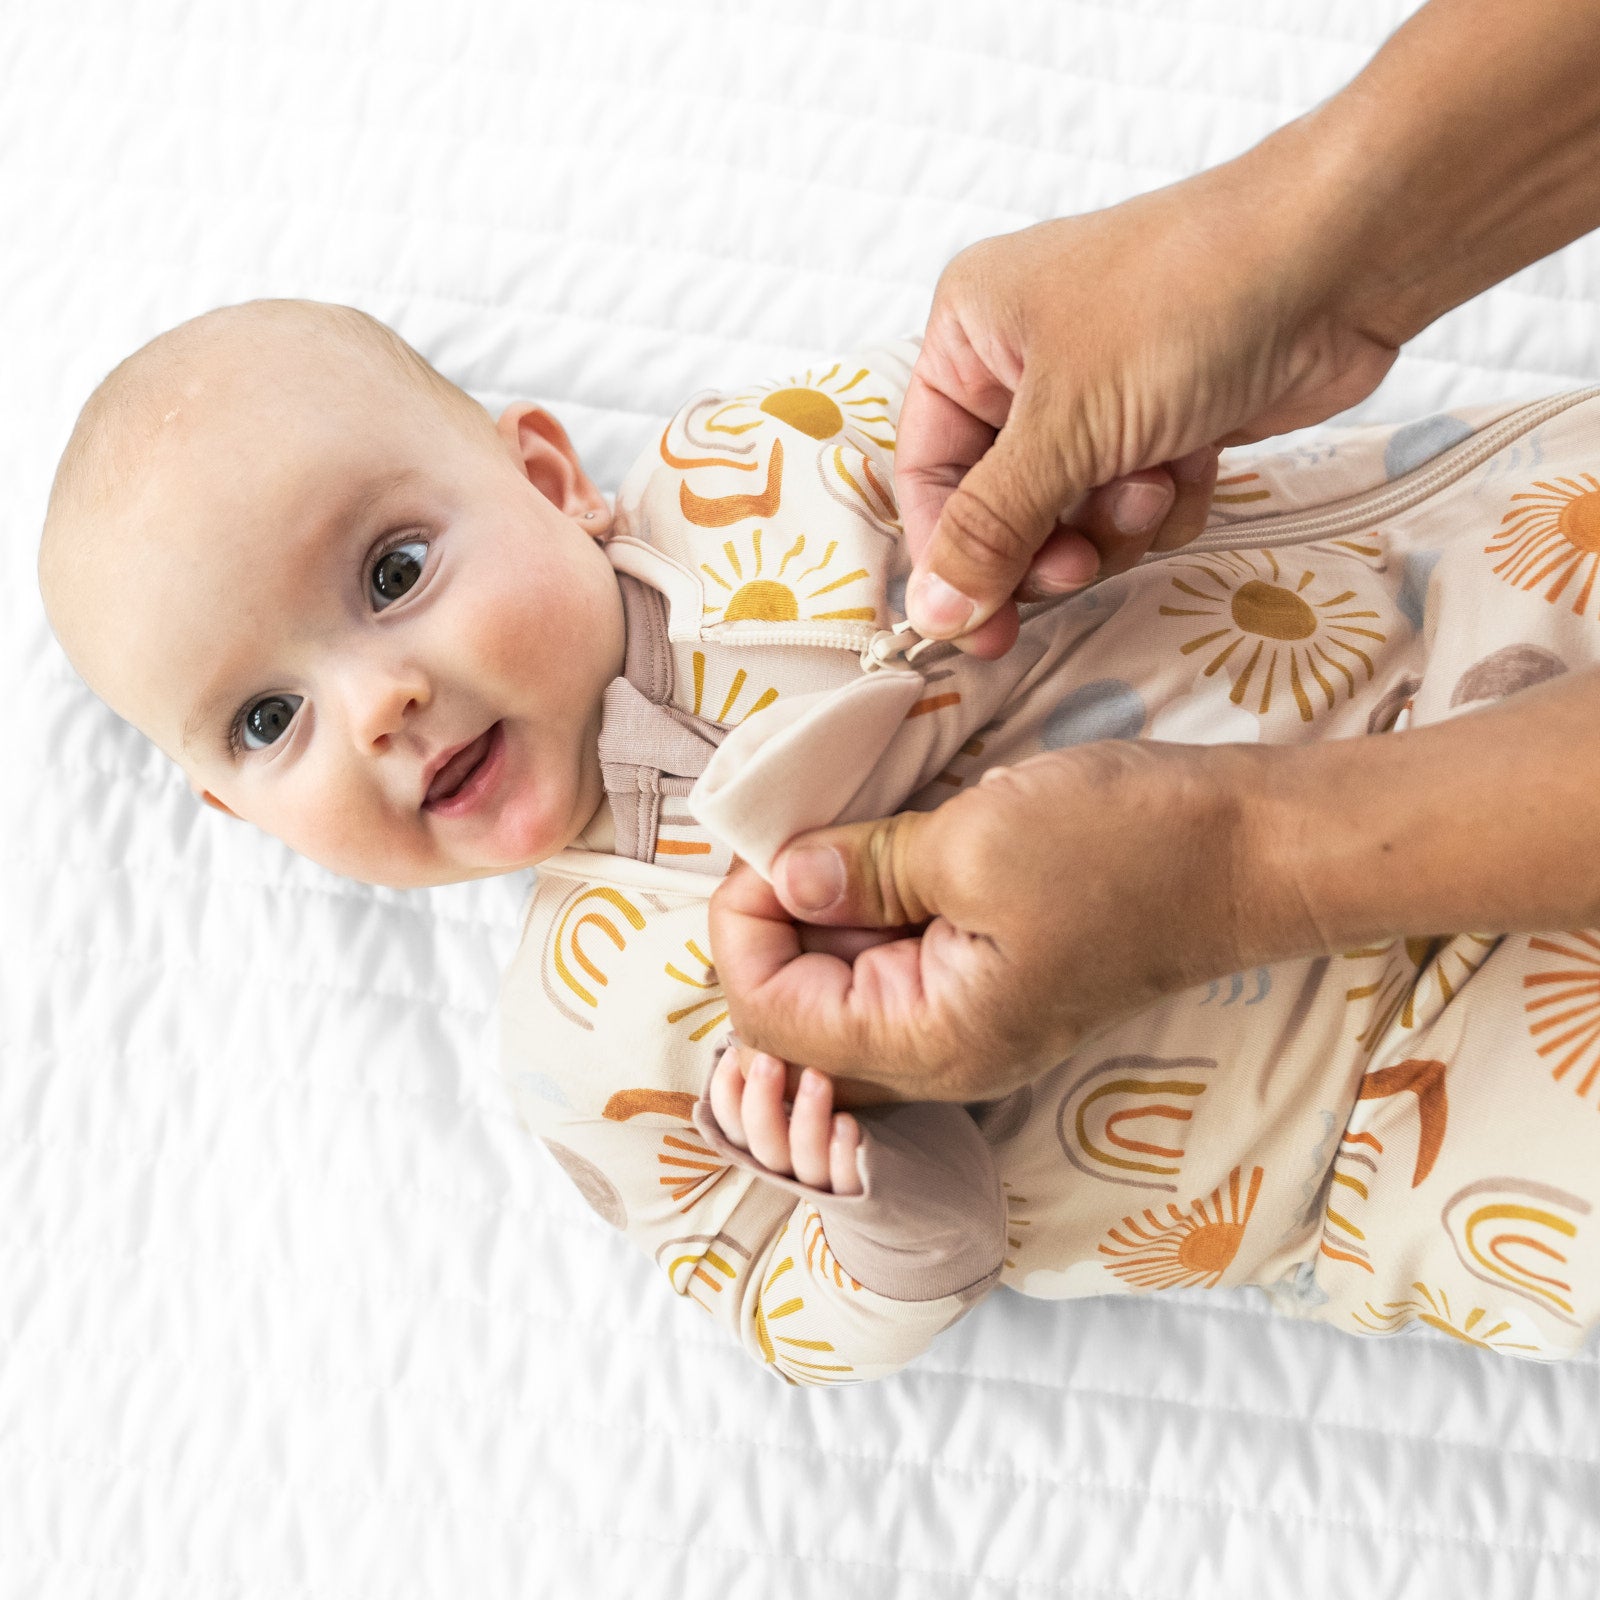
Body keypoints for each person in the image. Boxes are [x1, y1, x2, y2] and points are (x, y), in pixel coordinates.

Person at [36, 293, 1600, 1383]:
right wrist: (873, 1190)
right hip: (1412, 1112)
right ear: (232, 813)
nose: (377, 702)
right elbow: (785, 1304)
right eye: (265, 722)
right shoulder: (583, 1046)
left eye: (391, 574)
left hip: (1440, 622)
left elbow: (1044, 440)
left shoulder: (763, 470)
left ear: (549, 479)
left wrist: (1044, 488)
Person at [708, 0, 1600, 1108]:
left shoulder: (741, 473)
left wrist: (1243, 870)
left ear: (546, 477)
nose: (413, 700)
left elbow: (951, 411)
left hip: (1522, 544)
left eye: (413, 570)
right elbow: (890, 1266)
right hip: (1459, 1119)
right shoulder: (581, 1028)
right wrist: (831, 1158)